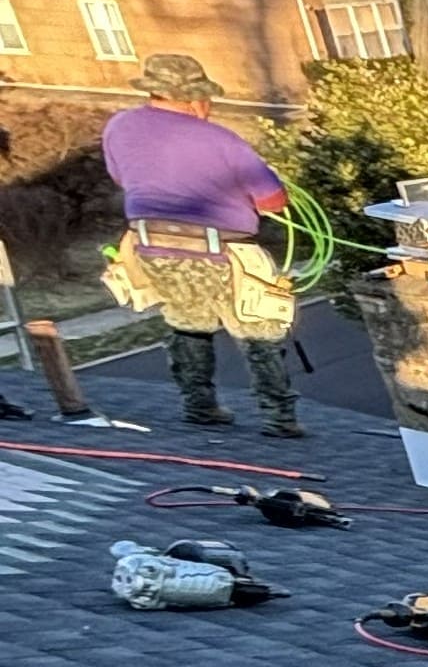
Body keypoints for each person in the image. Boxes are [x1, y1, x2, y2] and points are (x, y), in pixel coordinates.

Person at [98, 53, 302, 436]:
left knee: (187, 324)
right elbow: (273, 200)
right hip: (223, 251)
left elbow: (123, 177)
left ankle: (200, 406)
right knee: (258, 327)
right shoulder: (220, 139)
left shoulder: (120, 126)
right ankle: (279, 417)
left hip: (152, 246)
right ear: (194, 99)